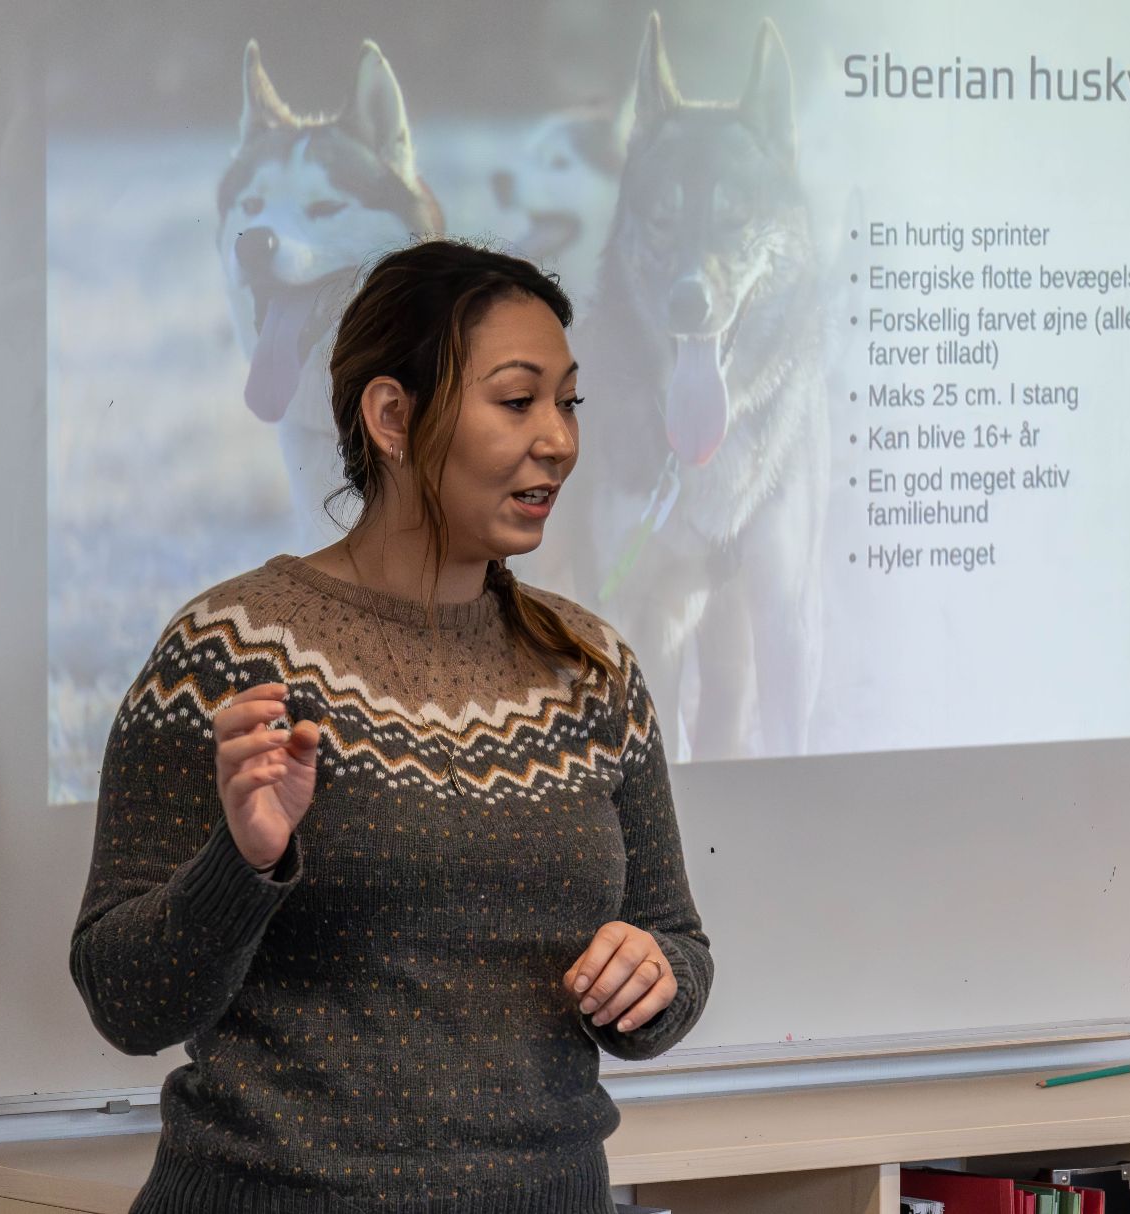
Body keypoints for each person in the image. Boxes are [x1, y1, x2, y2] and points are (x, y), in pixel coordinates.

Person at [70, 238, 712, 1212]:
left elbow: (675, 942)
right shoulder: (229, 649)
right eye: (517, 400)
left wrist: (653, 977)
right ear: (391, 417)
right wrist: (240, 863)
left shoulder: (591, 668)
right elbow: (126, 1002)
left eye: (568, 401)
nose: (558, 440)